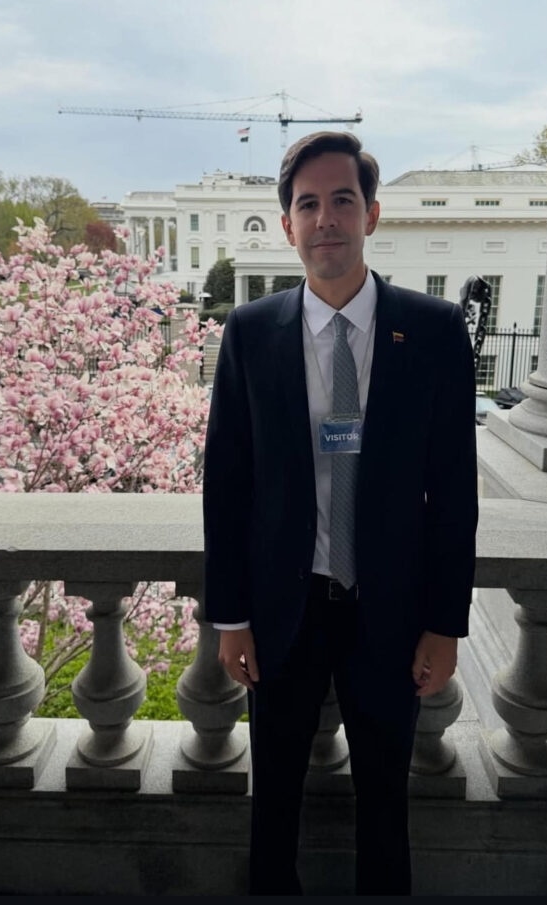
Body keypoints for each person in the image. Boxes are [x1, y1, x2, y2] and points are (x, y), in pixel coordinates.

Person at [203, 131, 478, 896]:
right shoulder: (251, 334)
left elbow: (456, 489)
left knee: (387, 802)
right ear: (287, 225)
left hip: (390, 612)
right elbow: (224, 482)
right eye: (309, 204)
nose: (327, 218)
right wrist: (230, 616)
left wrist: (445, 623)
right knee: (275, 802)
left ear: (372, 215)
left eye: (343, 201)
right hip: (283, 609)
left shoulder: (431, 332)